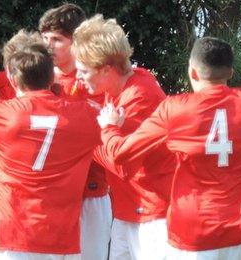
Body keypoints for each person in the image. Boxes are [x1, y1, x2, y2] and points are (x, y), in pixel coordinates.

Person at [96, 36, 241, 260]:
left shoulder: (174, 110)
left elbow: (119, 154)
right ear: (231, 72)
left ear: (192, 71)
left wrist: (109, 127)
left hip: (194, 232)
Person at [0, 30, 101, 260]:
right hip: (62, 239)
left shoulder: (0, 114)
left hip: (14, 236)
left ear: (13, 79)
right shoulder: (84, 114)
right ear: (50, 77)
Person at [72, 14, 176, 260]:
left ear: (106, 69)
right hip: (130, 209)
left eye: (84, 71)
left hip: (153, 213)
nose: (78, 77)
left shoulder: (140, 97)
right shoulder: (122, 86)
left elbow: (120, 163)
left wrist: (85, 141)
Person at [39, 4, 111, 260]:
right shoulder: (33, 79)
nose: (48, 45)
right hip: (46, 197)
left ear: (76, 42)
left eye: (57, 39)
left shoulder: (97, 82)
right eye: (44, 38)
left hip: (89, 193)